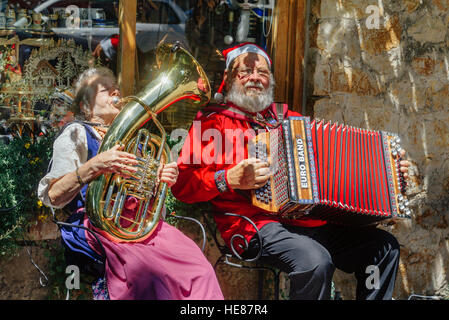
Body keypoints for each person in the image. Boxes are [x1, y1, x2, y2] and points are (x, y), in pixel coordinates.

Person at [171, 42, 411, 300]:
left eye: (262, 72)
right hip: (254, 227)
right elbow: (182, 184)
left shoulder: (290, 120)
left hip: (310, 223)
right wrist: (226, 179)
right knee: (315, 261)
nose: (254, 77)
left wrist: (389, 178)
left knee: (383, 247)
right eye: (245, 71)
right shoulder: (212, 124)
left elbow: (336, 170)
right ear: (229, 79)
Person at [38, 67, 223, 300]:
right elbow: (53, 195)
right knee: (149, 275)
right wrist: (95, 164)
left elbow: (146, 197)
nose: (116, 92)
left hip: (139, 225)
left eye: (116, 87)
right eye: (105, 89)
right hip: (98, 226)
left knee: (199, 269)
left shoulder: (134, 138)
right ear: (86, 106)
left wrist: (160, 182)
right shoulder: (76, 133)